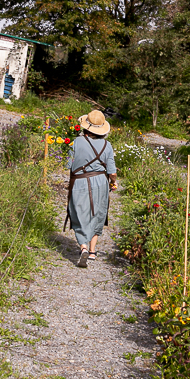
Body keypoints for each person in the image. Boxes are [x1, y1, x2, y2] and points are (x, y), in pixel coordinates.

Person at [66, 109, 117, 268]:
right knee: (98, 213)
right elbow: (112, 172)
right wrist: (113, 182)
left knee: (79, 213)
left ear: (85, 127)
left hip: (79, 182)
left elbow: (68, 165)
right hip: (101, 182)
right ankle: (93, 251)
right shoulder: (107, 145)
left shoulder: (75, 142)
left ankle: (83, 247)